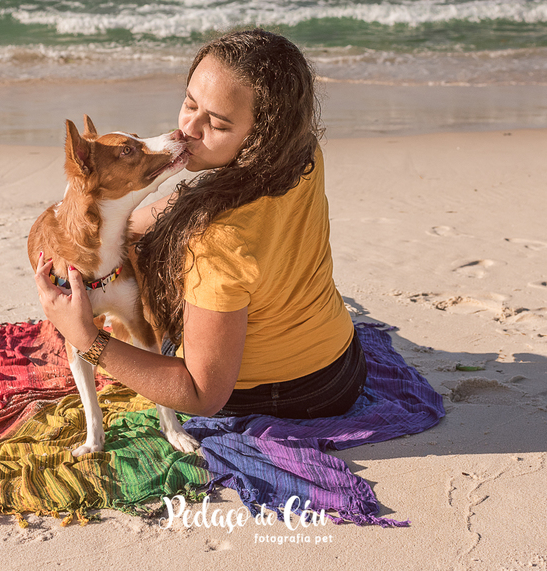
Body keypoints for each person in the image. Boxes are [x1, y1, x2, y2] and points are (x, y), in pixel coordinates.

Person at [35, 29, 366, 419]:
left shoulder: (218, 242)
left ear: (263, 136)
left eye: (219, 125)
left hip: (282, 396)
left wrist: (87, 339)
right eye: (190, 103)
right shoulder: (299, 151)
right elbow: (160, 213)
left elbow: (202, 396)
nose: (189, 129)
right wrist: (81, 239)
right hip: (343, 360)